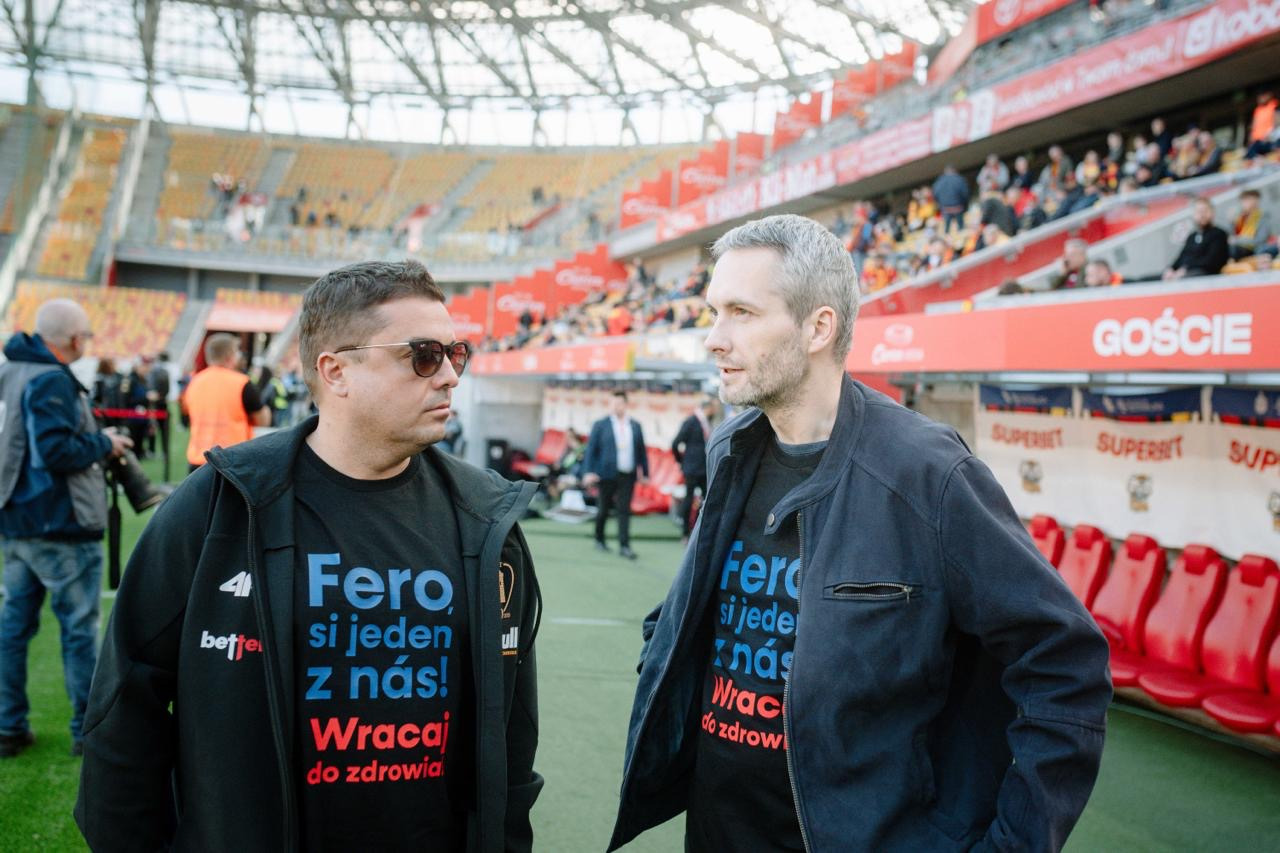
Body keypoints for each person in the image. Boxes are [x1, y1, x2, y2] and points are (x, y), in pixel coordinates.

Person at [609, 214, 1110, 852]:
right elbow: (691, 612)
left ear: (818, 328)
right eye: (714, 312)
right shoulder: (731, 447)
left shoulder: (927, 472)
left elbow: (1065, 661)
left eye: (741, 313)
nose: (714, 338)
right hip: (717, 831)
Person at [76, 260, 543, 851]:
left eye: (456, 353)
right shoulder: (223, 503)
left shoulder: (486, 518)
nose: (450, 376)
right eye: (424, 355)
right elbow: (125, 706)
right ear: (336, 371)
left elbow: (512, 732)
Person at [0, 298, 133, 759]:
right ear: (76, 339)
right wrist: (104, 443)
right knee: (79, 631)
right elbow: (55, 452)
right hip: (59, 522)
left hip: (15, 518)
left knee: (13, 628)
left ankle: (8, 726)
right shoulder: (51, 379)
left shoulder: (11, 370)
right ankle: (87, 730)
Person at [180, 333, 270, 472]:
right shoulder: (242, 383)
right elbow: (263, 420)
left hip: (198, 461)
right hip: (231, 461)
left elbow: (186, 416)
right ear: (230, 356)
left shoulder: (194, 382)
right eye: (237, 351)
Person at [582, 390, 649, 560]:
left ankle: (624, 546)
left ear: (625, 405)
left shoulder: (635, 425)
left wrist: (645, 472)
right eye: (612, 403)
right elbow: (591, 450)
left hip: (628, 474)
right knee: (604, 508)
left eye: (618, 403)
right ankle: (599, 538)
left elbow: (641, 451)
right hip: (606, 474)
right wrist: (589, 472)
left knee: (624, 510)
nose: (615, 407)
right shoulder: (600, 425)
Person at [671, 395, 719, 545]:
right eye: (713, 408)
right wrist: (682, 462)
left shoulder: (708, 422)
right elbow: (675, 443)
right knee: (688, 499)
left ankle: (700, 531)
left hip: (704, 468)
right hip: (692, 469)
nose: (715, 411)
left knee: (706, 500)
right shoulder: (691, 421)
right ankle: (685, 532)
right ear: (708, 407)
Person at [1164, 197, 1230, 280]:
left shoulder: (1219, 234)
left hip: (1206, 276)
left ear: (1212, 212)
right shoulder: (1192, 236)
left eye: (1205, 210)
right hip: (1185, 273)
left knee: (1182, 279)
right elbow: (1182, 256)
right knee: (1150, 279)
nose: (1202, 215)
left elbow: (1211, 261)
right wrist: (1171, 269)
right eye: (1199, 211)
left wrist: (1185, 270)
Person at [1228, 189, 1275, 260]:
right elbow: (1232, 237)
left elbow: (1260, 240)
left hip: (1254, 250)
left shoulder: (1262, 217)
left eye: (1251, 200)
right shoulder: (1240, 218)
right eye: (1245, 200)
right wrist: (1231, 222)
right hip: (1239, 249)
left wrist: (1237, 240)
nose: (1248, 203)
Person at [931, 165, 970, 234]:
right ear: (954, 171)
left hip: (945, 208)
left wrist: (941, 205)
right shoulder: (959, 179)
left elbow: (935, 195)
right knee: (961, 229)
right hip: (958, 207)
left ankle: (947, 235)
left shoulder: (939, 181)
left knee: (947, 230)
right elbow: (965, 193)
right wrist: (965, 205)